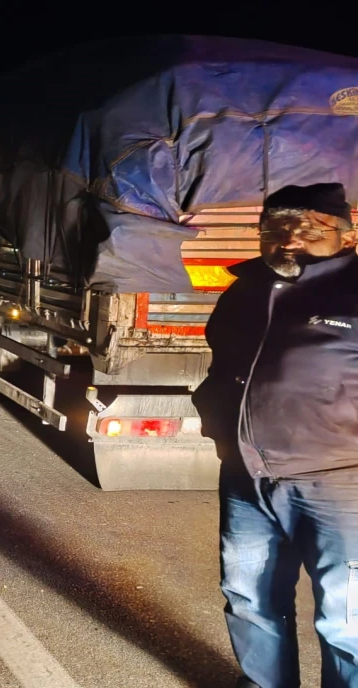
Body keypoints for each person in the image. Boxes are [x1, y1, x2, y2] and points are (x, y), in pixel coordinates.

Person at [192, 182, 358, 688]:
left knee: (345, 620)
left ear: (346, 236)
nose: (289, 239)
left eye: (308, 227)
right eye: (277, 227)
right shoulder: (245, 289)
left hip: (339, 484)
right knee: (250, 601)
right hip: (246, 478)